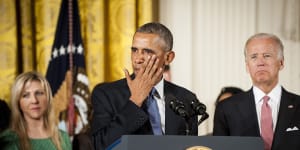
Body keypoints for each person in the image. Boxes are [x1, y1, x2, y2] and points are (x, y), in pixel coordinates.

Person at [91, 22, 199, 149]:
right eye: (134, 50)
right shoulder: (106, 94)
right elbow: (100, 146)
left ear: (168, 57)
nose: (137, 59)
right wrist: (134, 102)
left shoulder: (186, 99)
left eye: (147, 52)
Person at [213, 33, 300, 150]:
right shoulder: (226, 108)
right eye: (254, 57)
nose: (260, 62)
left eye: (267, 55)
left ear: (281, 63)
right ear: (247, 66)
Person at [0, 71, 71, 150]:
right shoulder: (8, 140)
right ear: (18, 102)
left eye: (39, 93)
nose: (34, 101)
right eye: (26, 95)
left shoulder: (63, 138)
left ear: (48, 98)